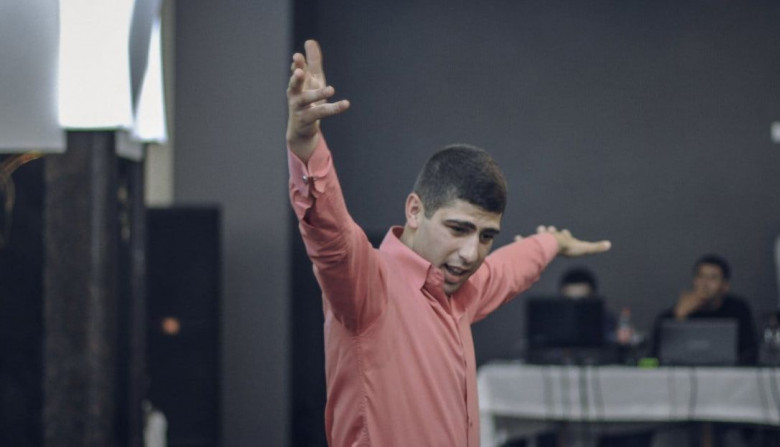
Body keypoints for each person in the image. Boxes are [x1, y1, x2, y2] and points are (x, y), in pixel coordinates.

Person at [286, 40, 611, 447]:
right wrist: (306, 144)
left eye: (486, 236)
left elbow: (510, 267)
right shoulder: (367, 285)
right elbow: (329, 233)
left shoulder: (461, 290)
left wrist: (551, 242)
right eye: (458, 229)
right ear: (415, 210)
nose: (471, 254)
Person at [652, 254, 758, 365]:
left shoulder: (738, 309)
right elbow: (656, 354)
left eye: (712, 278)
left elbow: (750, 351)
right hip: (686, 370)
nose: (704, 284)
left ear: (725, 286)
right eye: (700, 276)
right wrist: (677, 317)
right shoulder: (681, 309)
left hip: (726, 372)